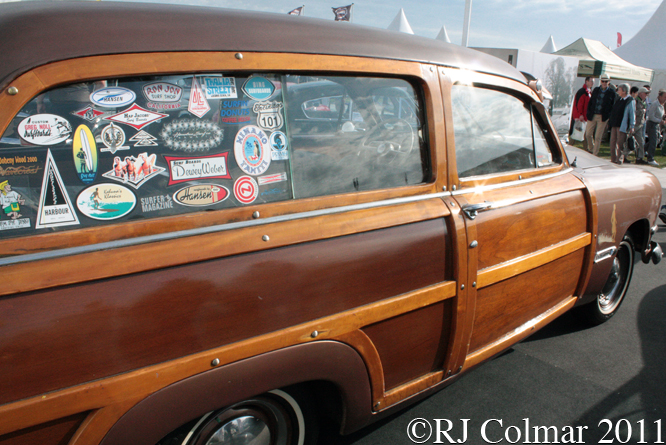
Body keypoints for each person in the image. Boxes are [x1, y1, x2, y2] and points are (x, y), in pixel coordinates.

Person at [585, 73, 617, 156]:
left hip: (603, 117)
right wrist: (588, 112)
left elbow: (613, 106)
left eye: (606, 81)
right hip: (592, 115)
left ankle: (594, 154)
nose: (604, 83)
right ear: (600, 81)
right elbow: (590, 102)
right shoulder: (596, 90)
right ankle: (591, 149)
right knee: (588, 134)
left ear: (609, 82)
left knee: (598, 137)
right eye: (603, 81)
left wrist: (608, 116)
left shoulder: (612, 92)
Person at [608, 84, 634, 164]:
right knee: (612, 142)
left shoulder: (630, 101)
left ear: (624, 91)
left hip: (622, 125)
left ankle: (619, 159)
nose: (618, 91)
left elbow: (632, 114)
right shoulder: (618, 99)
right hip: (614, 124)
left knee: (620, 143)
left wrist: (632, 126)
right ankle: (613, 159)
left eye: (619, 90)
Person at [570, 77, 593, 150]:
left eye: (593, 81)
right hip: (580, 117)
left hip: (585, 117)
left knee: (584, 133)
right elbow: (579, 104)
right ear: (586, 81)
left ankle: (587, 148)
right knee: (577, 132)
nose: (592, 83)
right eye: (591, 81)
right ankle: (570, 146)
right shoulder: (582, 92)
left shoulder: (589, 92)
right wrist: (580, 114)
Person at [645, 89, 666, 166]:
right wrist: (660, 121)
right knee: (653, 141)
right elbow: (651, 116)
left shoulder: (662, 105)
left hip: (656, 125)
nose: (665, 99)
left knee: (656, 140)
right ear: (660, 96)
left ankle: (641, 150)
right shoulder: (655, 104)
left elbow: (660, 114)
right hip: (652, 124)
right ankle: (650, 158)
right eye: (664, 97)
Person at [634, 87, 649, 164]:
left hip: (640, 125)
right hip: (634, 124)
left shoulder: (643, 102)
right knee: (628, 141)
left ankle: (639, 158)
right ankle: (624, 156)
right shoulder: (635, 101)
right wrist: (641, 111)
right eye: (645, 93)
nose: (647, 95)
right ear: (640, 93)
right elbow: (633, 112)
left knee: (641, 142)